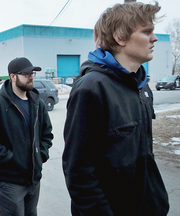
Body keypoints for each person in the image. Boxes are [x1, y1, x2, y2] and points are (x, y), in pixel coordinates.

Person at [62, 2, 169, 216]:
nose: (154, 38)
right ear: (120, 37)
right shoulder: (91, 89)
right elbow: (79, 172)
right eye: (146, 32)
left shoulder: (141, 86)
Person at [0, 57, 53, 216]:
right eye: (26, 74)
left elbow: (46, 134)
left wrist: (40, 155)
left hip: (33, 179)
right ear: (13, 77)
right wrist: (12, 158)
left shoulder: (37, 102)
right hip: (9, 182)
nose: (31, 77)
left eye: (32, 73)